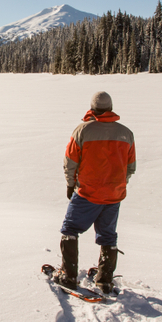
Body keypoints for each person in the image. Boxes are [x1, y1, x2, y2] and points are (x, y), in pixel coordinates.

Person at [53, 91, 136, 294]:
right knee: (108, 236)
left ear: (92, 108)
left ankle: (69, 276)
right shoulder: (126, 133)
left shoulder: (82, 131)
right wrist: (116, 184)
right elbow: (131, 166)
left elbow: (70, 162)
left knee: (70, 229)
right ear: (111, 107)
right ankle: (104, 280)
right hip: (114, 194)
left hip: (88, 192)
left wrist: (70, 184)